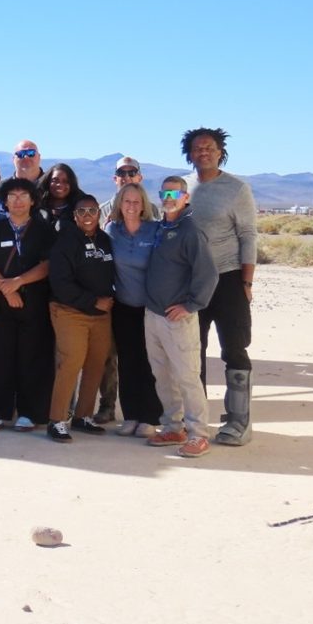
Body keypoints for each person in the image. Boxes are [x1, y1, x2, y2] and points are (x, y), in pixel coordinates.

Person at [184, 127, 259, 447]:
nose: (203, 152)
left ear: (220, 152)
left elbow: (248, 236)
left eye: (209, 148)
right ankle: (196, 421)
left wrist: (246, 281)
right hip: (191, 282)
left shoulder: (236, 189)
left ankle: (239, 421)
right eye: (197, 148)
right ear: (189, 154)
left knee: (234, 348)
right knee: (192, 352)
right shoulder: (182, 187)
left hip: (228, 279)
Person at [143, 176, 218, 458]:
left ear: (186, 197)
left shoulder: (191, 230)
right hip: (153, 314)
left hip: (178, 318)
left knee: (187, 376)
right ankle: (173, 427)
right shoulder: (160, 228)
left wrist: (191, 305)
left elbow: (208, 273)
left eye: (175, 193)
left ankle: (199, 434)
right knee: (162, 375)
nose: (169, 198)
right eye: (165, 193)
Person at [0, 177, 56, 432]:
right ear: (5, 201)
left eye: (23, 195)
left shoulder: (44, 230)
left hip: (35, 303)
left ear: (33, 201)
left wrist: (19, 282)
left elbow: (48, 264)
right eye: (12, 196)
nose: (18, 200)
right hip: (1, 305)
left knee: (33, 357)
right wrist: (6, 288)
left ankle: (30, 413)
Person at [94, 154, 159, 424]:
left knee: (146, 358)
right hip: (114, 298)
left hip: (147, 302)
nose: (127, 177)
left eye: (132, 173)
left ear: (140, 177)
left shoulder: (153, 214)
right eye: (122, 173)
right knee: (111, 356)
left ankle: (151, 415)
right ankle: (109, 405)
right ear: (115, 178)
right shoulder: (102, 214)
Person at [46, 194, 115, 442]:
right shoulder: (65, 243)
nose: (87, 216)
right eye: (82, 211)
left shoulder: (105, 240)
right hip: (70, 311)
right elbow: (60, 282)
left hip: (101, 315)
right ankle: (56, 420)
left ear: (99, 213)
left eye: (92, 211)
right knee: (71, 362)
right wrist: (92, 301)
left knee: (96, 363)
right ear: (74, 216)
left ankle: (83, 416)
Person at [104, 183, 164, 438]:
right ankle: (130, 415)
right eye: (127, 201)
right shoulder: (111, 230)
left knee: (149, 362)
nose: (131, 206)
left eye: (136, 202)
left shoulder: (155, 229)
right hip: (123, 307)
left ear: (144, 205)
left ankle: (149, 417)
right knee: (127, 362)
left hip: (150, 308)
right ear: (120, 204)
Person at [36, 163, 81, 233]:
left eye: (66, 181)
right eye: (55, 180)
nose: (59, 184)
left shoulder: (79, 210)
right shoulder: (37, 207)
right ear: (48, 181)